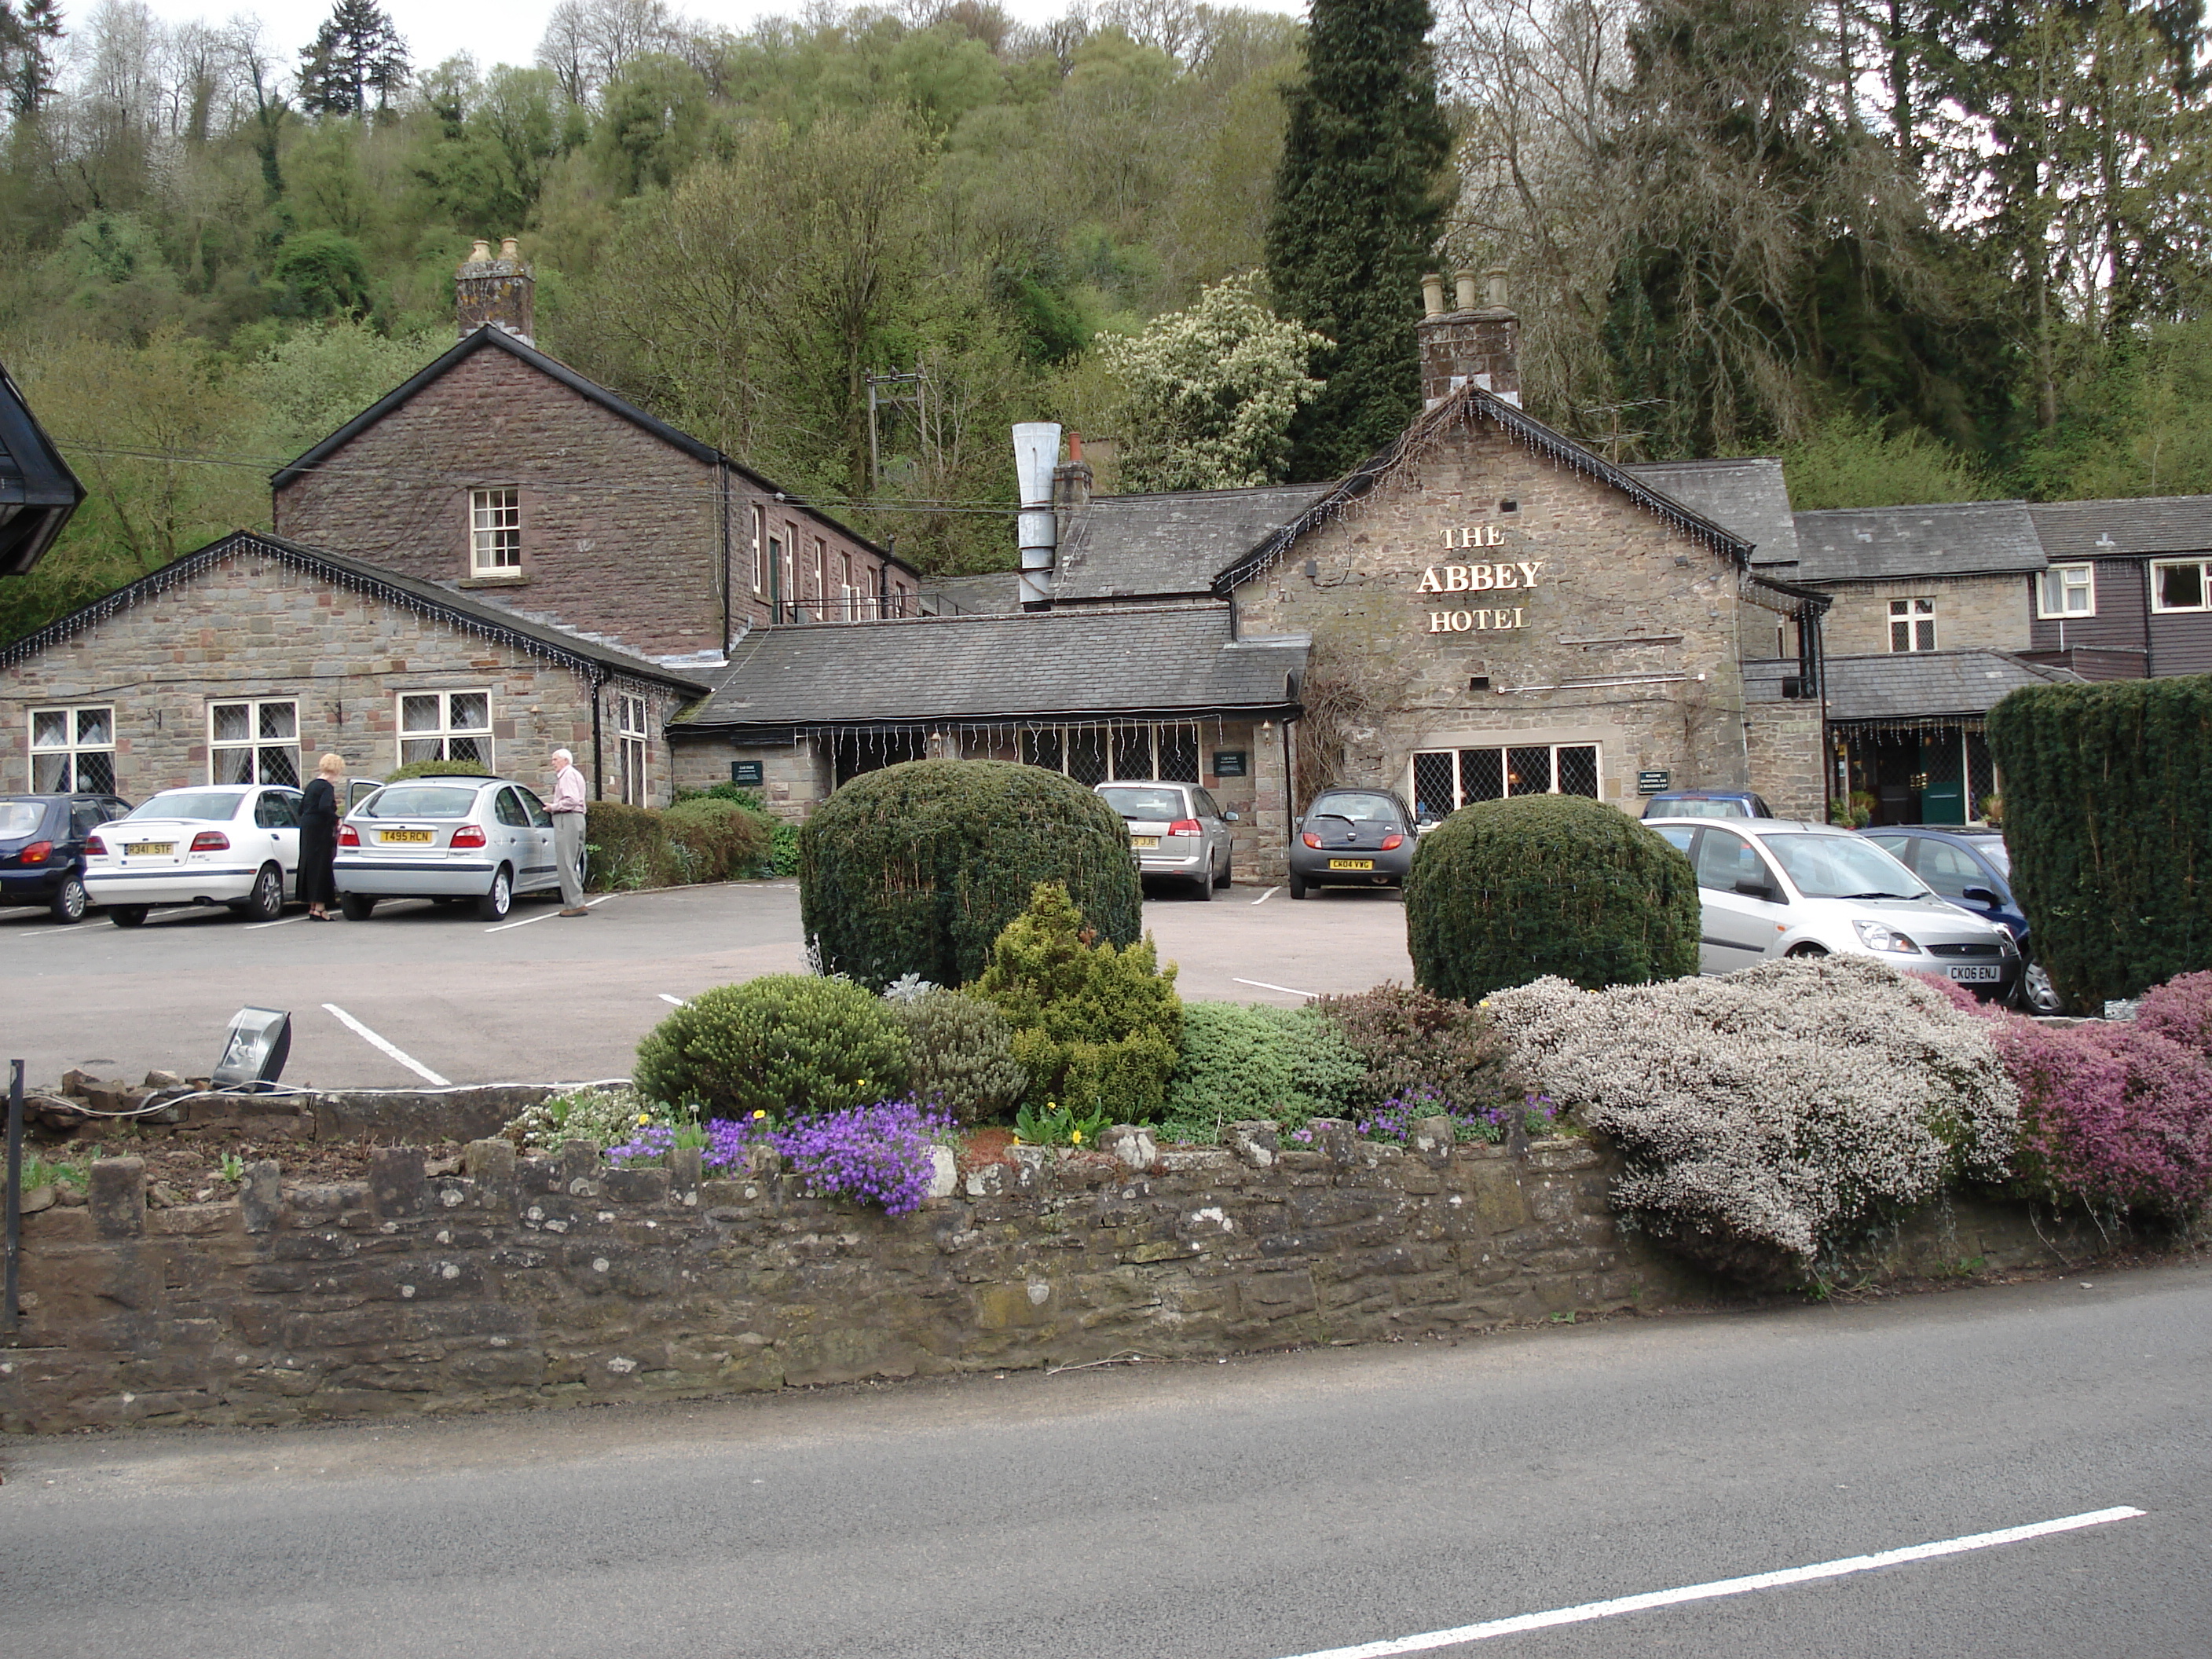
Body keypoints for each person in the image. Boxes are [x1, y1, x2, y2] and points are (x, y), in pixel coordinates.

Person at [299, 752, 345, 921]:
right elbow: (325, 807)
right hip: (320, 829)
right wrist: (337, 819)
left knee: (309, 865)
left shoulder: (312, 785)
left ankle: (312, 907)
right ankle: (320, 908)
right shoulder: (326, 786)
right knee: (321, 866)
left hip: (307, 827)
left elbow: (302, 808)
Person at [550, 747, 589, 916]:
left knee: (566, 863)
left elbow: (571, 800)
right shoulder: (576, 775)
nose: (553, 763)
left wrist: (553, 807)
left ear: (565, 760)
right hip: (578, 818)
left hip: (568, 818)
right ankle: (576, 901)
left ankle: (574, 905)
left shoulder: (566, 775)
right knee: (572, 863)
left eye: (555, 759)